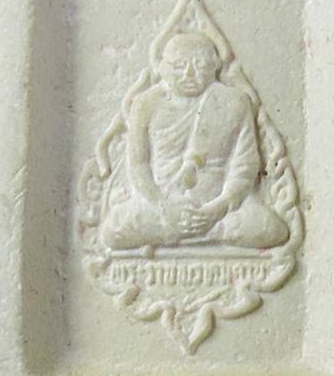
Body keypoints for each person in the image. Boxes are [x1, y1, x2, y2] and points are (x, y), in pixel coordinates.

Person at [100, 32, 288, 250]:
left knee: (271, 229)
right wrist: (163, 206)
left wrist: (219, 207)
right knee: (113, 231)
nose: (189, 75)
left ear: (215, 65)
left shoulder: (234, 102)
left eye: (199, 65)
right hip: (162, 206)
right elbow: (139, 166)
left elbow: (245, 165)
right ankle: (204, 234)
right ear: (162, 68)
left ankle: (199, 232)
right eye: (179, 66)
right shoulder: (146, 104)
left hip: (218, 208)